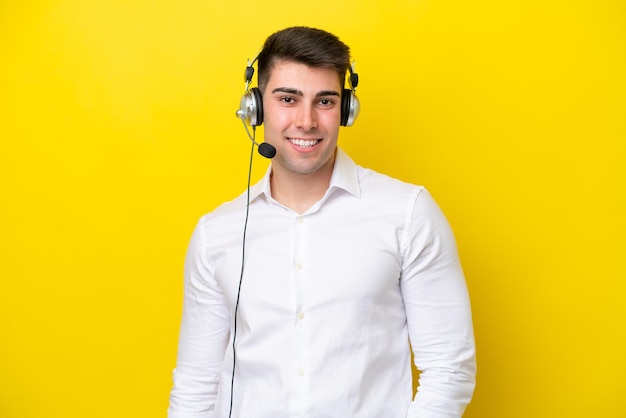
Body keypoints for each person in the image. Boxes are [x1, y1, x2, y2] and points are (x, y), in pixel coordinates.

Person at [168, 26, 476, 418]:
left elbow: (449, 368)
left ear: (346, 110)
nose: (307, 120)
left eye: (325, 101)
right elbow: (196, 385)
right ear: (256, 107)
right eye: (288, 99)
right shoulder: (216, 234)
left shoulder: (408, 213)